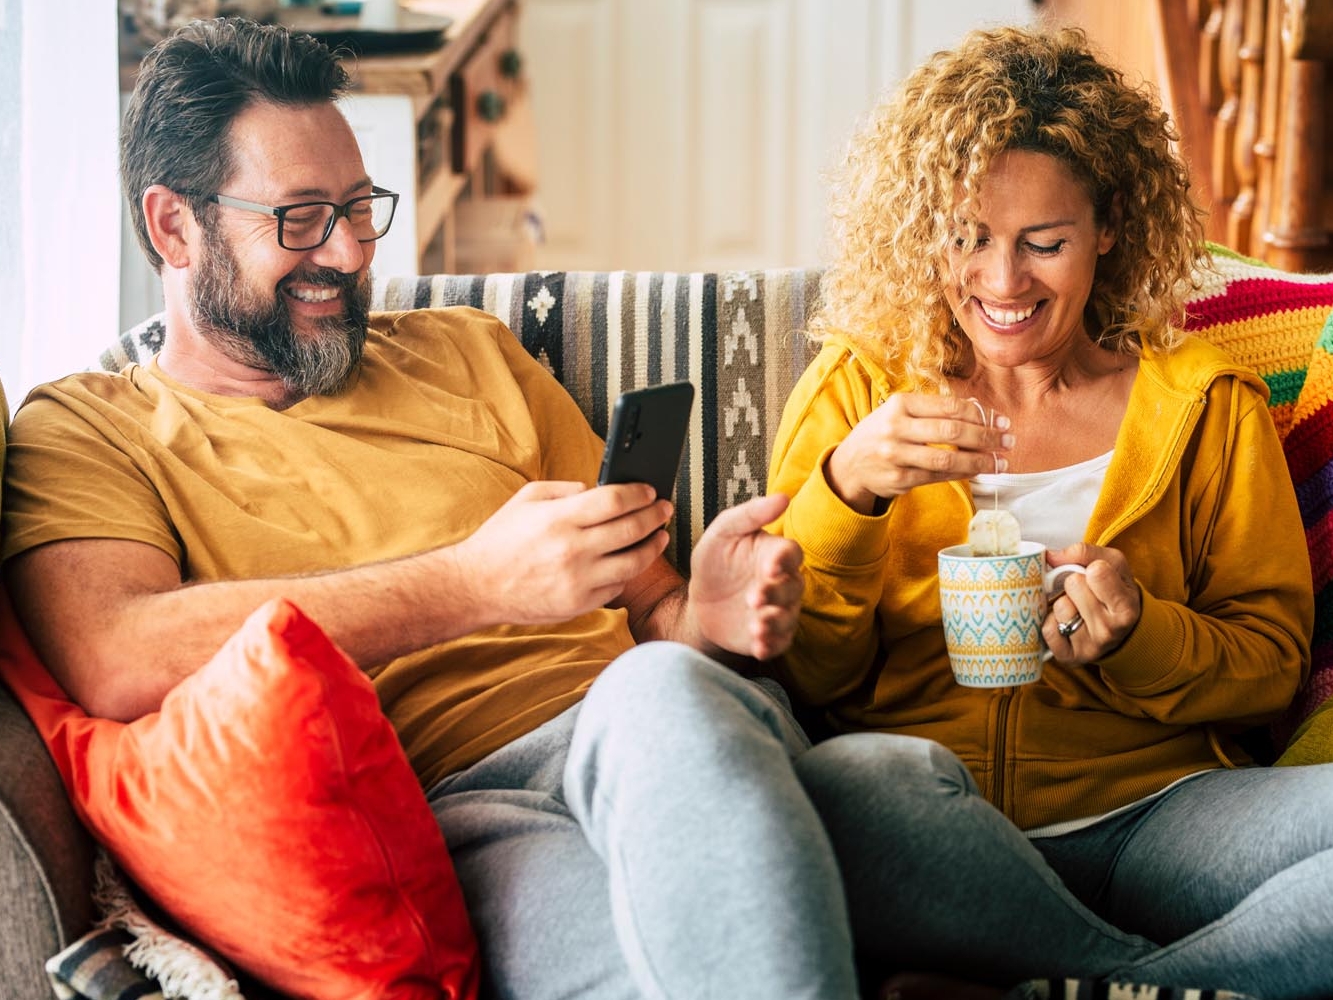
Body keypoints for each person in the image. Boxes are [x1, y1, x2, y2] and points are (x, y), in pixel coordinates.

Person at [766, 22, 1333, 1000]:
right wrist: (846, 494)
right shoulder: (858, 390)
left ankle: (1027, 982)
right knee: (844, 790)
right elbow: (801, 668)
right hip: (925, 822)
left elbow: (1267, 670)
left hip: (1155, 816)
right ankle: (1119, 977)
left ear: (1106, 229)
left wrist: (1139, 633)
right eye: (966, 237)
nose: (1001, 281)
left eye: (1043, 242)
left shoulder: (1202, 402)